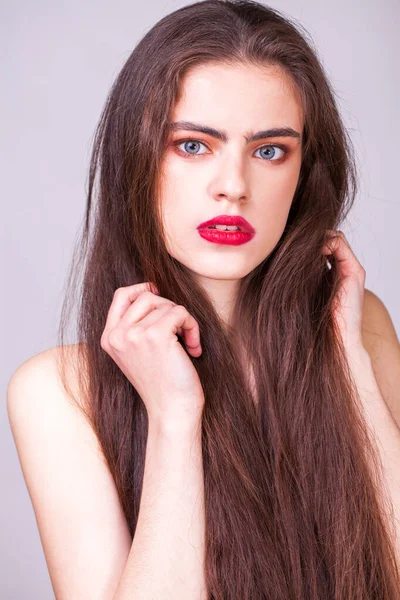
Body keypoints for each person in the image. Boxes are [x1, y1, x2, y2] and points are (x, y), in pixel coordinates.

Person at [6, 1, 400, 598]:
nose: (234, 187)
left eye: (269, 150)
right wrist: (173, 419)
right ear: (137, 158)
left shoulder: (360, 325)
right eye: (193, 146)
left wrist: (350, 367)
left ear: (304, 173)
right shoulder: (60, 392)